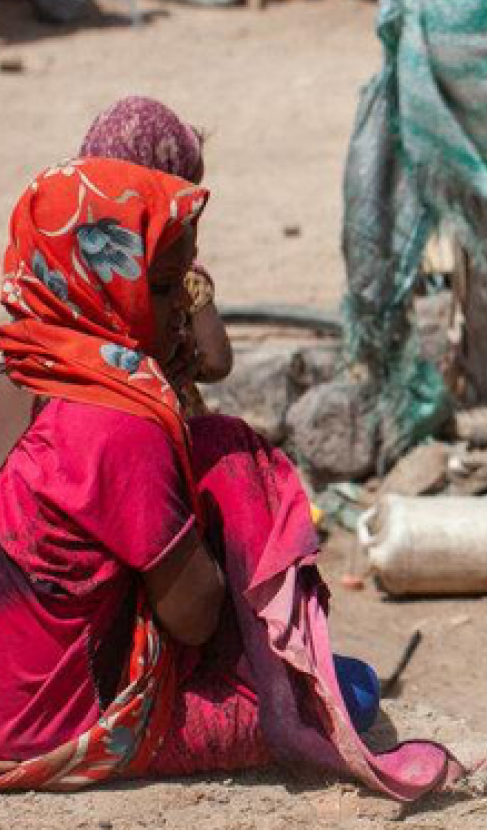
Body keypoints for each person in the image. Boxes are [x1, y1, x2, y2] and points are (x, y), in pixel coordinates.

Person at [0, 157, 458, 795]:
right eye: (160, 290)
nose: (179, 315)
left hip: (18, 686)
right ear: (101, 289)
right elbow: (192, 612)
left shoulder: (32, 368)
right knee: (341, 695)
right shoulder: (116, 422)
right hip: (54, 724)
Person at [77, 95, 232, 415]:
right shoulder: (181, 274)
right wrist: (177, 365)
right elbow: (217, 360)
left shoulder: (67, 267)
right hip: (165, 422)